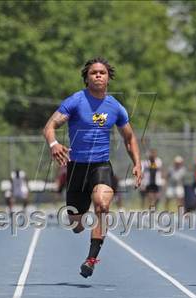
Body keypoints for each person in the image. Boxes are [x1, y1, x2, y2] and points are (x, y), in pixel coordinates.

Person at [43, 57, 142, 278]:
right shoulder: (76, 101)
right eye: (94, 73)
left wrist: (137, 163)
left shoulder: (115, 107)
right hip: (77, 167)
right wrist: (54, 143)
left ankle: (91, 259)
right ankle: (81, 212)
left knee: (103, 206)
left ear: (108, 78)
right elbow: (50, 125)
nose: (98, 75)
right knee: (76, 224)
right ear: (86, 78)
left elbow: (129, 138)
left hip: (100, 165)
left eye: (102, 73)